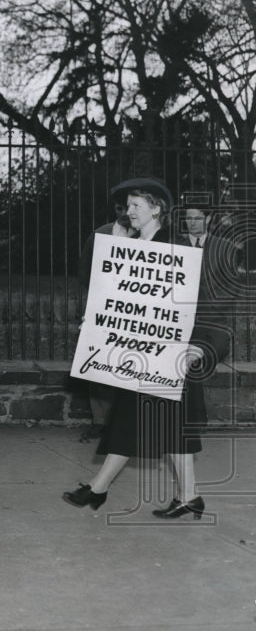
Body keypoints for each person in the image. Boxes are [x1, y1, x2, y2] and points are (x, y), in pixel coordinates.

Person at [62, 177, 232, 518]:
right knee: (140, 419)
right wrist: (97, 321)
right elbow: (115, 297)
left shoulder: (180, 249)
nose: (129, 212)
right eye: (128, 206)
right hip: (141, 352)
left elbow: (210, 304)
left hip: (173, 353)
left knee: (158, 421)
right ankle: (178, 495)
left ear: (157, 209)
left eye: (136, 206)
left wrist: (201, 346)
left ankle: (102, 489)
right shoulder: (128, 247)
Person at [76, 187, 136, 439]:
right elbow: (86, 272)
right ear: (116, 209)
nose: (126, 213)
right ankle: (101, 420)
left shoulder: (148, 236)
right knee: (101, 362)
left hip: (137, 309)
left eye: (131, 208)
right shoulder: (100, 234)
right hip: (104, 306)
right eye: (121, 208)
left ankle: (129, 421)